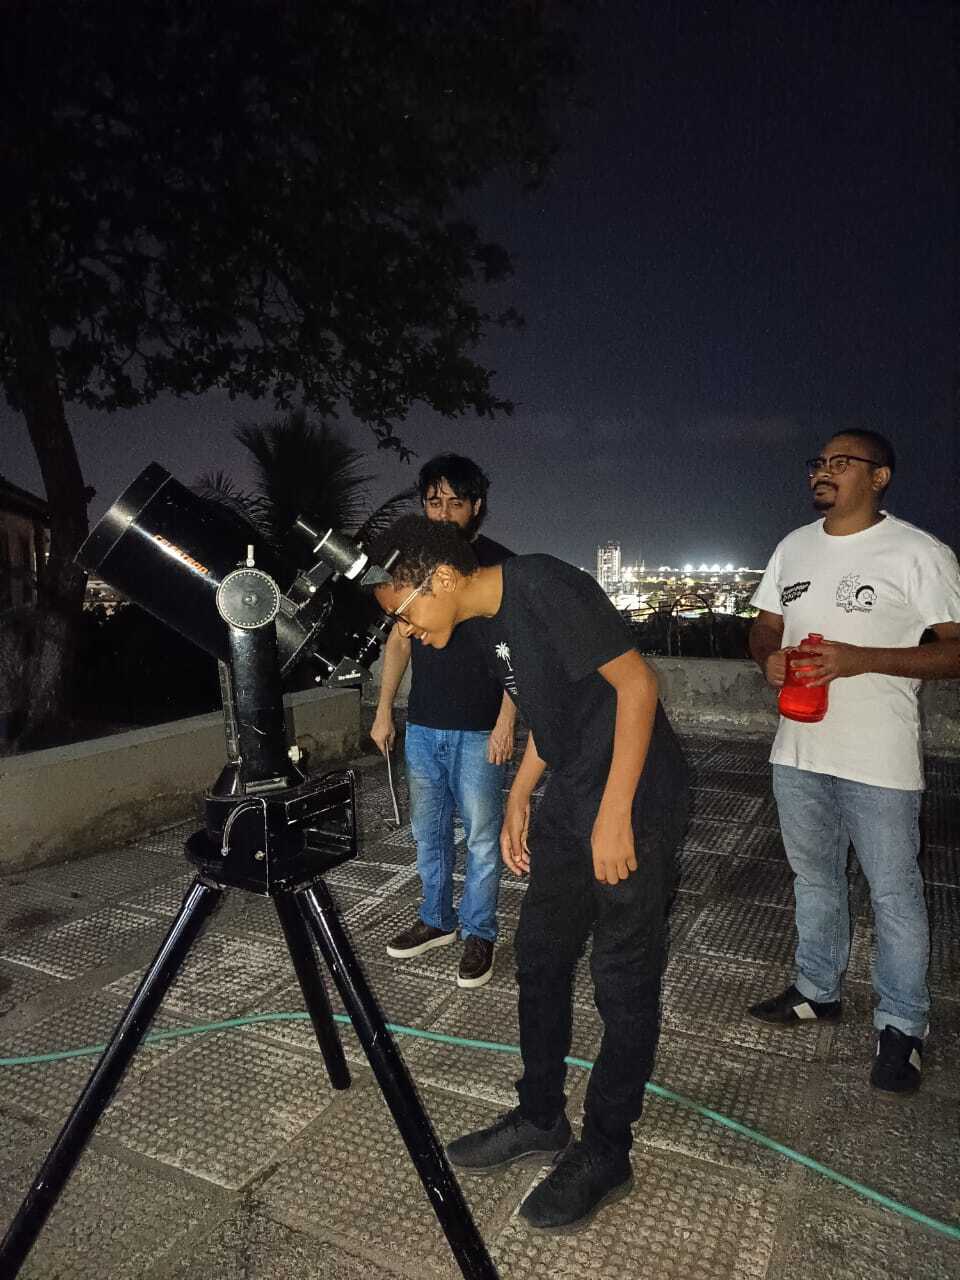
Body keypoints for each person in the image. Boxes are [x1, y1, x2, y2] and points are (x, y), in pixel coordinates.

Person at [369, 515, 689, 1232]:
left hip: (637, 797)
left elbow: (638, 687)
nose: (407, 632)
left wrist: (616, 814)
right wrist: (519, 795)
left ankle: (607, 1149)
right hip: (573, 792)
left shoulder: (542, 584)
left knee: (622, 977)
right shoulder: (483, 624)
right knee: (540, 958)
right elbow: (554, 714)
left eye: (406, 614)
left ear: (441, 579)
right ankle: (541, 1116)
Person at [747, 430, 960, 1095]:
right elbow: (764, 624)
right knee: (813, 878)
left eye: (841, 463)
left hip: (879, 757)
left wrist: (861, 659)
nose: (824, 472)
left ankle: (902, 1025)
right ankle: (817, 988)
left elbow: (955, 650)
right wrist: (767, 657)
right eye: (819, 462)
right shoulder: (794, 546)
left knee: (894, 893)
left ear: (880, 476)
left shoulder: (918, 552)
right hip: (798, 748)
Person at [371, 454, 515, 990]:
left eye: (457, 502)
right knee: (427, 832)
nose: (445, 513)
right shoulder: (409, 566)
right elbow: (398, 642)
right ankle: (436, 919)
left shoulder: (497, 565)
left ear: (476, 506)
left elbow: (518, 653)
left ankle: (480, 932)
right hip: (425, 724)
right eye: (435, 502)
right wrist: (385, 710)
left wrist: (507, 721)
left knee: (481, 838)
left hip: (480, 728)